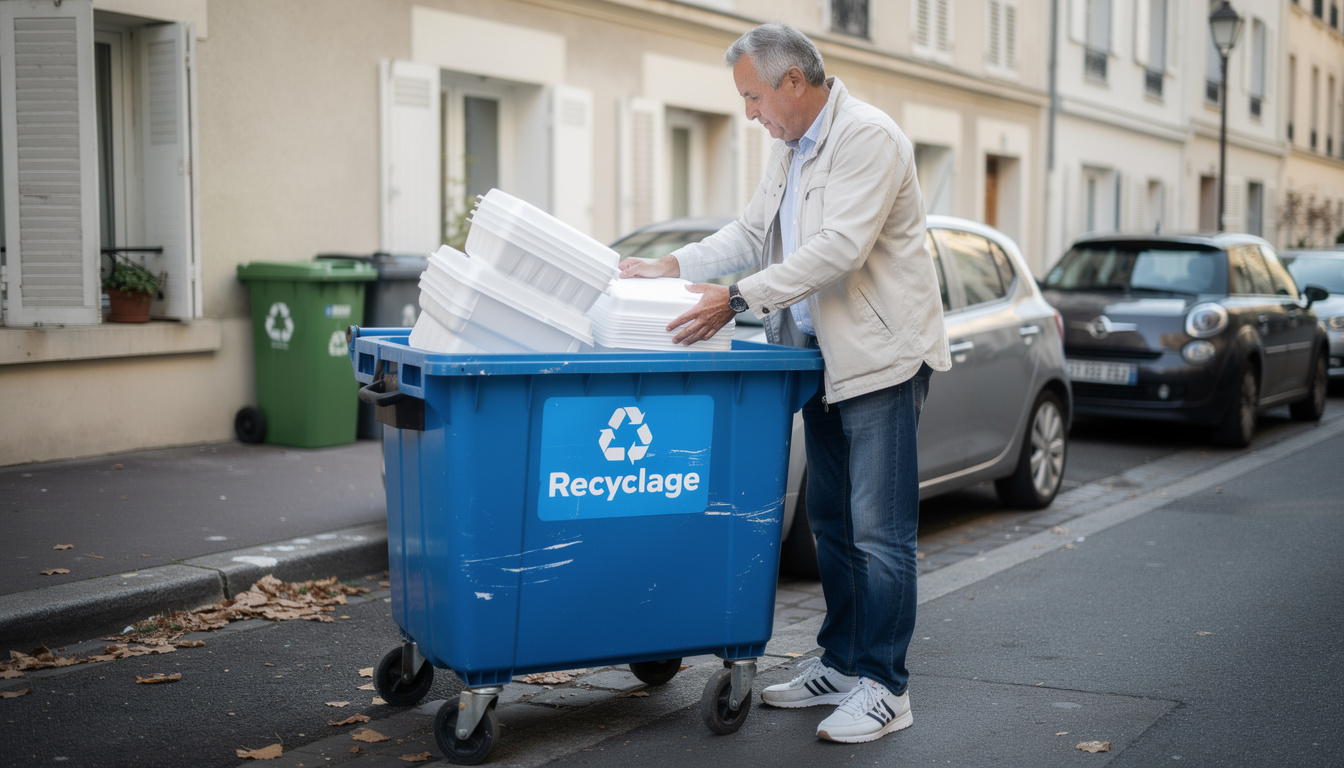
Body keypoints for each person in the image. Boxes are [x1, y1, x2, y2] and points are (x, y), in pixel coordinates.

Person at [617, 23, 950, 744]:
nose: (750, 113)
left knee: (880, 532)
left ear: (793, 82)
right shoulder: (789, 148)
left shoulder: (869, 138)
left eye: (753, 96)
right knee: (830, 521)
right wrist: (670, 267)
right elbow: (748, 231)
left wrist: (735, 300)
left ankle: (887, 687)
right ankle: (842, 661)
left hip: (881, 357)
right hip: (819, 358)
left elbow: (839, 248)